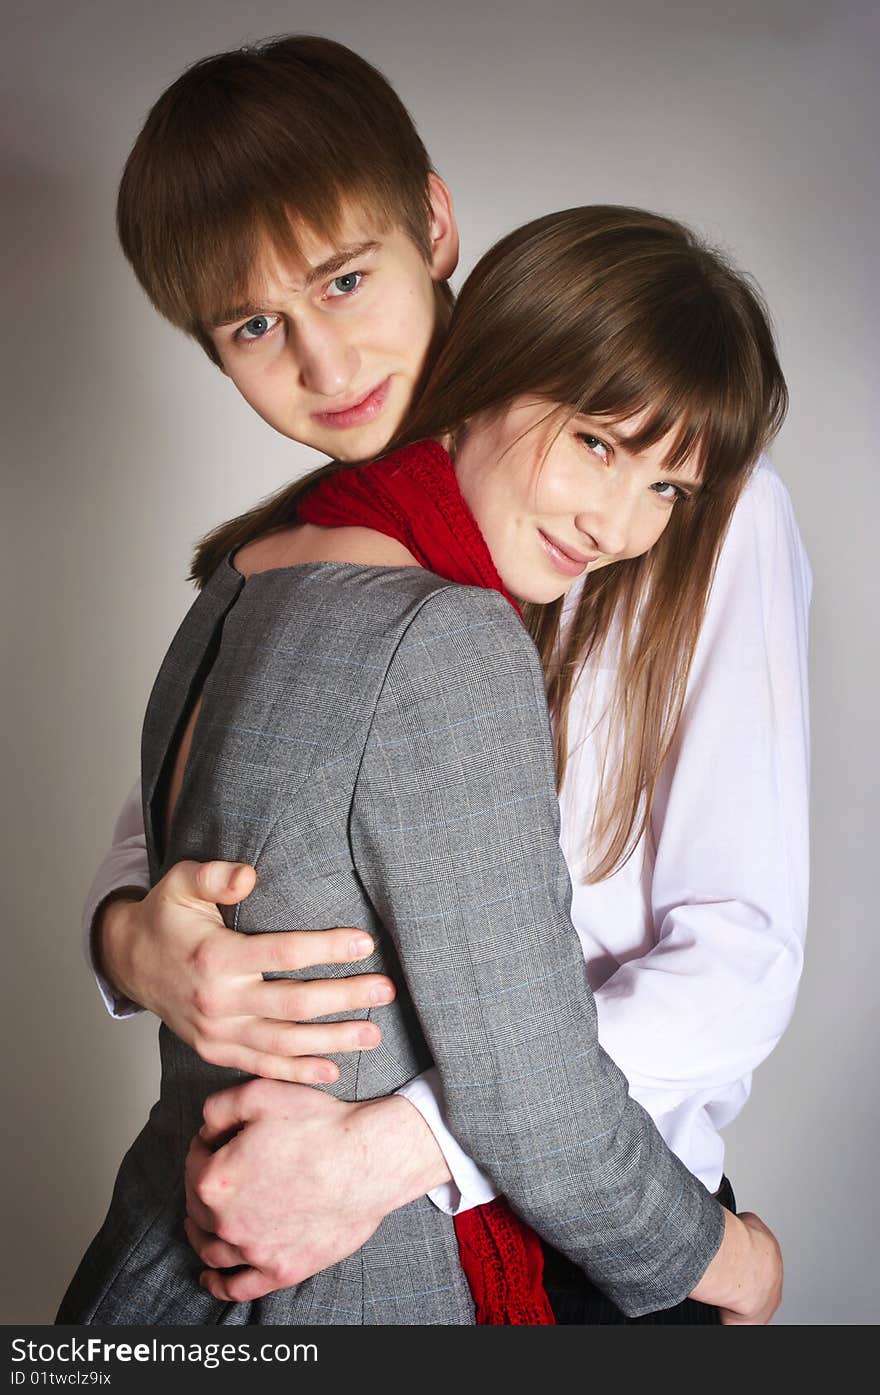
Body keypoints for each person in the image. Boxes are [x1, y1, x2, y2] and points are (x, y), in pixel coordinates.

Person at [75, 37, 809, 1322]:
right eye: (255, 328)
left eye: (347, 282)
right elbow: (181, 821)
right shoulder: (297, 546)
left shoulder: (689, 508)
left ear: (434, 221)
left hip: (597, 1211)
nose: (326, 367)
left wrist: (395, 1150)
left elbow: (734, 949)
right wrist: (131, 938)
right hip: (339, 1242)